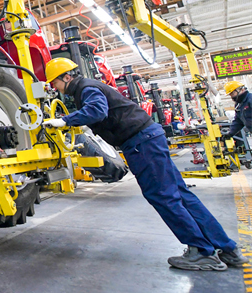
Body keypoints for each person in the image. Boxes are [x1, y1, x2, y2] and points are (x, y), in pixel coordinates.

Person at [43, 57, 247, 271]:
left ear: (66, 77)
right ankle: (226, 248)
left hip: (141, 143)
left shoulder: (85, 88)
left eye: (54, 83)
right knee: (180, 193)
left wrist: (64, 120)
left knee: (162, 195)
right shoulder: (89, 87)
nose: (54, 88)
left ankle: (201, 251)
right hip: (149, 138)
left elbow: (96, 111)